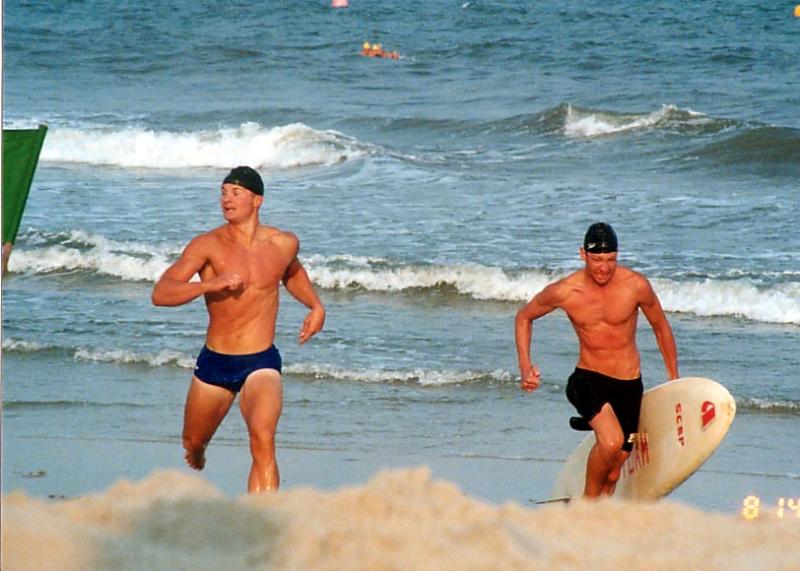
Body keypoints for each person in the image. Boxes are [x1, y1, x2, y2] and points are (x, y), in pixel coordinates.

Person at [151, 166, 326, 493]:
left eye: (235, 193)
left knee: (263, 439)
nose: (226, 199)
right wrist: (209, 284)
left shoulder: (283, 243)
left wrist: (315, 306)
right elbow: (161, 293)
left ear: (257, 200)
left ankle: (260, 518)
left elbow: (291, 273)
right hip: (216, 362)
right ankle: (199, 450)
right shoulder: (207, 245)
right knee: (192, 440)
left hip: (261, 361)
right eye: (223, 193)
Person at [514, 222, 678, 497]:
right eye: (597, 260)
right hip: (588, 380)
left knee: (614, 472)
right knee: (612, 443)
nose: (604, 268)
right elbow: (523, 317)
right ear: (583, 254)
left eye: (610, 260)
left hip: (628, 384)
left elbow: (661, 327)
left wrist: (674, 379)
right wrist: (525, 367)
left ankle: (601, 510)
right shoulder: (566, 291)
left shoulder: (635, 286)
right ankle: (586, 506)